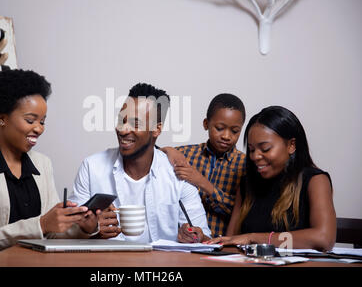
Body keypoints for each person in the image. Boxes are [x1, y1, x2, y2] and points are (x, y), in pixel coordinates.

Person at [0, 69, 99, 266]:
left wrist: (84, 228)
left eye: (42, 121)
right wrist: (42, 224)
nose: (39, 128)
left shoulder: (43, 164)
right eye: (30, 120)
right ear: (1, 118)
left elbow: (50, 237)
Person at [70, 83, 211, 243]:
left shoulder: (177, 173)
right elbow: (67, 232)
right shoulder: (92, 167)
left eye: (135, 123)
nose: (123, 130)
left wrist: (194, 236)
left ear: (157, 130)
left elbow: (204, 238)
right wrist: (92, 230)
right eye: (120, 120)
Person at [206, 106, 336, 251]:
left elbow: (324, 239)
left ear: (291, 145)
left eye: (265, 148)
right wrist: (203, 240)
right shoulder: (247, 185)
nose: (255, 156)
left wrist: (253, 238)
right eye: (251, 149)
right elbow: (231, 241)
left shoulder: (315, 181)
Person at [160, 94, 246, 237]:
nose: (226, 136)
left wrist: (201, 182)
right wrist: (167, 149)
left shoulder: (245, 165)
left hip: (224, 248)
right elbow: (153, 159)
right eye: (219, 128)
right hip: (185, 244)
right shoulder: (185, 154)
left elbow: (242, 213)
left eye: (235, 131)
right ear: (206, 124)